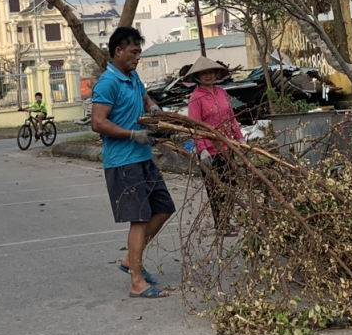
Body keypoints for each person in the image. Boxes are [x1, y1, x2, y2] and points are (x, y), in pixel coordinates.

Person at [91, 26, 176, 299]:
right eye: (134, 52)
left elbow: (143, 95)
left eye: (140, 52)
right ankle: (136, 282)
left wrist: (151, 106)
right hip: (123, 162)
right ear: (118, 51)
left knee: (163, 208)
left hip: (143, 158)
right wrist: (132, 134)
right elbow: (98, 122)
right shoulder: (108, 82)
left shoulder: (132, 76)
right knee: (139, 220)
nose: (138, 57)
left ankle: (131, 259)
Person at [185, 56, 244, 237]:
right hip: (210, 151)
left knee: (230, 185)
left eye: (210, 72)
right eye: (204, 73)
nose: (208, 76)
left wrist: (239, 138)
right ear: (197, 77)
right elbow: (196, 125)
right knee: (216, 189)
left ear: (216, 73)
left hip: (227, 146)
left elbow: (230, 117)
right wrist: (201, 148)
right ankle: (222, 224)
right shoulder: (196, 98)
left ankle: (228, 219)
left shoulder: (221, 93)